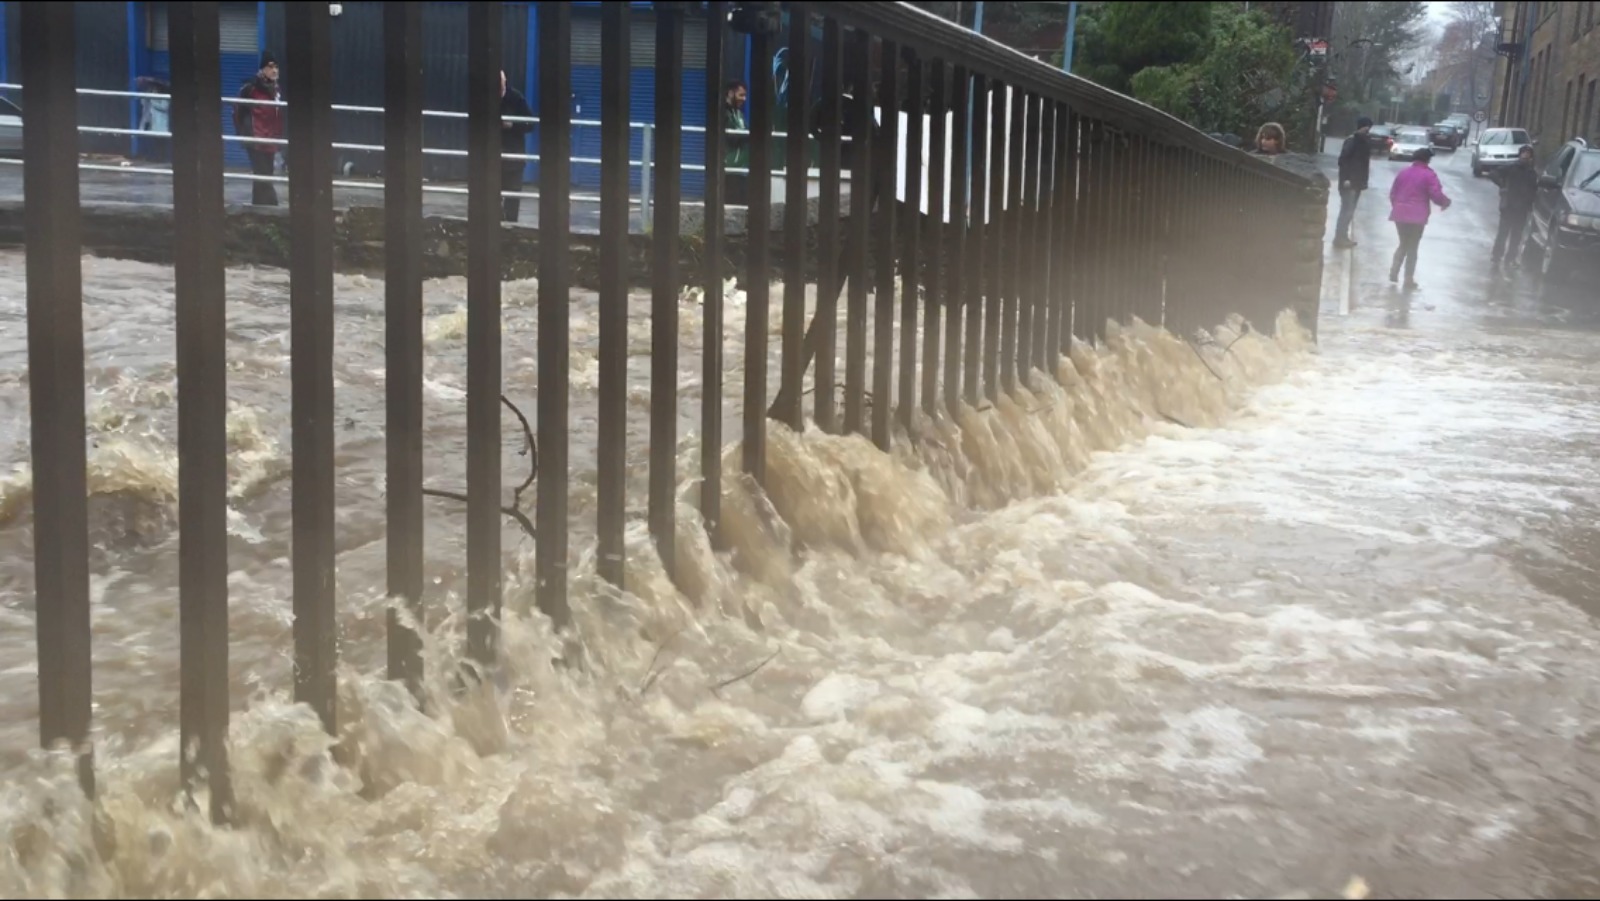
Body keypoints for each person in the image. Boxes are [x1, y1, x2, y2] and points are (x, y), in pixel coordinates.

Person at [1387, 147, 1451, 290]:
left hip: (1400, 214)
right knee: (1413, 246)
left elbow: (1393, 193)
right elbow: (1435, 194)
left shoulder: (1403, 173)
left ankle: (1394, 270)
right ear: (1427, 160)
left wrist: (1397, 207)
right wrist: (1445, 202)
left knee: (1403, 242)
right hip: (1417, 217)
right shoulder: (1429, 175)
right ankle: (1408, 278)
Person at [234, 54, 284, 206]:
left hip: (270, 139)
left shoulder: (276, 90)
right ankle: (272, 206)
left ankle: (258, 208)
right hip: (255, 139)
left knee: (264, 174)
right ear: (262, 69)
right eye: (270, 67)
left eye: (276, 66)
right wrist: (243, 134)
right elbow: (237, 111)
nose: (274, 70)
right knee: (263, 175)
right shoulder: (251, 89)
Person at [1488, 144, 1538, 269]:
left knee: (1516, 235)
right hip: (1509, 206)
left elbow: (1533, 190)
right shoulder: (1511, 168)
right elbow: (1493, 173)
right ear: (1520, 154)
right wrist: (1503, 186)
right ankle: (1497, 256)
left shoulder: (1532, 174)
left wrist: (1530, 204)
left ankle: (1510, 258)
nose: (1525, 156)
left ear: (1531, 157)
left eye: (1528, 154)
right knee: (1503, 233)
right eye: (1524, 153)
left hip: (1522, 209)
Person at [498, 70, 535, 223]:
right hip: (493, 156)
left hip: (514, 155)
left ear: (505, 82)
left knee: (513, 193)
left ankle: (512, 225)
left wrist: (512, 125)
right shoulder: (484, 97)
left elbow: (530, 124)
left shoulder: (516, 98)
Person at [1333, 116, 1373, 249]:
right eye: (1366, 126)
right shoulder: (1353, 141)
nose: (1367, 129)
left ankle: (1342, 236)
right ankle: (1339, 238)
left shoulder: (1363, 141)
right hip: (1349, 183)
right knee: (1346, 210)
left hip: (1357, 183)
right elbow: (1343, 160)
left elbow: (1363, 164)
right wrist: (1346, 179)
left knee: (1349, 211)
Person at [722, 80, 749, 207]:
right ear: (731, 93)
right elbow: (729, 138)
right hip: (728, 168)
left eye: (745, 95)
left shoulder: (739, 114)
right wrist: (746, 134)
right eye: (741, 95)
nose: (744, 99)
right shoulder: (723, 113)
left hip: (740, 168)